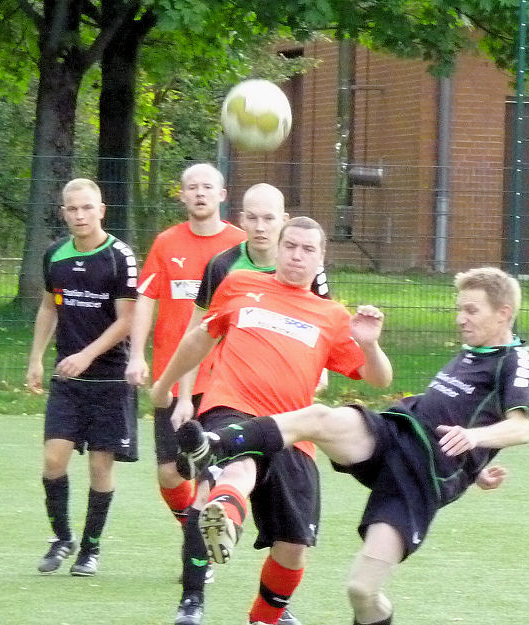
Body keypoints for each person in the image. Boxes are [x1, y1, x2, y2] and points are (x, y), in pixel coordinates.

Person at [173, 266, 529, 624]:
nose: (460, 319)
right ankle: (214, 443)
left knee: (362, 591)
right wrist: (474, 462)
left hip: (418, 479)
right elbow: (462, 411)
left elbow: (521, 427)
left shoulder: (514, 359)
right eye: (459, 309)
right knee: (318, 417)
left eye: (471, 310)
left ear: (503, 313)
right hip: (396, 434)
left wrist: (475, 442)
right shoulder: (476, 347)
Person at [151, 216, 393, 625]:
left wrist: (369, 345)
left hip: (294, 428)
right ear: (278, 249)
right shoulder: (240, 284)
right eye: (291, 246)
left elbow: (379, 378)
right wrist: (165, 387)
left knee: (293, 546)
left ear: (321, 258)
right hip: (231, 408)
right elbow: (200, 338)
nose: (297, 256)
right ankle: (201, 576)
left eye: (308, 249)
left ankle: (263, 617)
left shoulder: (332, 315)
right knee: (238, 467)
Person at [172, 185, 330, 625]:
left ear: (283, 221)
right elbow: (196, 331)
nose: (261, 227)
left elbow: (320, 323)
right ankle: (192, 599)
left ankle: (273, 607)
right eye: (253, 218)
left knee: (291, 533)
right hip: (229, 398)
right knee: (211, 489)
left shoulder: (309, 266)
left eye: (269, 218)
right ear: (242, 220)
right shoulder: (225, 267)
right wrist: (183, 395)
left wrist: (320, 368)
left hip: (286, 411)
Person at [124, 164, 244, 608]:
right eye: (192, 187)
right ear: (182, 195)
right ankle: (198, 535)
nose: (199, 193)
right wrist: (137, 356)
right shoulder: (166, 243)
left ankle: (200, 552)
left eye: (207, 187)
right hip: (173, 376)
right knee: (169, 474)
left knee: (213, 471)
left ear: (222, 195)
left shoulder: (239, 246)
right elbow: (146, 299)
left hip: (224, 379)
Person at [26, 178, 138, 577]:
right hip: (68, 380)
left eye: (87, 207)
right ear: (64, 213)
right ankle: (62, 538)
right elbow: (49, 307)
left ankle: (90, 549)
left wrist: (87, 355)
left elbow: (127, 321)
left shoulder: (120, 257)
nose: (80, 215)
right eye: (72, 209)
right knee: (53, 459)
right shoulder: (55, 255)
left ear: (101, 210)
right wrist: (36, 358)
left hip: (110, 380)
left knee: (100, 466)